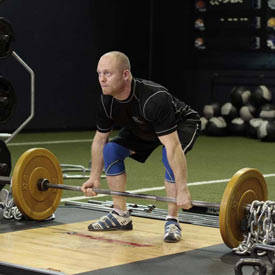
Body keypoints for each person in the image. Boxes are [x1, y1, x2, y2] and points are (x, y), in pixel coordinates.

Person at [81, 51, 201, 243]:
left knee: (167, 155)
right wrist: (94, 177)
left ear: (125, 74)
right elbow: (99, 139)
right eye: (99, 73)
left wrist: (183, 189)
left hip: (181, 124)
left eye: (107, 73)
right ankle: (120, 215)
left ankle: (172, 220)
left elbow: (172, 146)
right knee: (111, 150)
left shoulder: (154, 98)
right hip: (143, 127)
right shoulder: (106, 100)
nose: (101, 79)